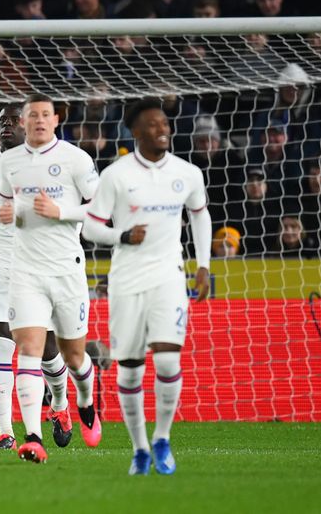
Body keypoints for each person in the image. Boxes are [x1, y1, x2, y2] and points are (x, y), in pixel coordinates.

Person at [82, 99, 212, 476]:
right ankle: (139, 449)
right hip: (126, 280)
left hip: (170, 275)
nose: (162, 129)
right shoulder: (116, 175)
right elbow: (90, 227)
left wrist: (203, 265)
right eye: (153, 124)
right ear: (136, 131)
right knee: (130, 371)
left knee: (169, 360)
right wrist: (122, 235)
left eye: (165, 123)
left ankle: (162, 439)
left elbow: (200, 215)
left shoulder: (187, 173)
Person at [0, 106, 74, 451]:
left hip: (39, 261)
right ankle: (5, 431)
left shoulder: (47, 164)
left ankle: (60, 403)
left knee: (47, 348)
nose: (6, 125)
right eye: (2, 121)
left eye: (14, 121)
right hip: (1, 261)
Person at [0, 93, 101, 463]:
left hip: (66, 269)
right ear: (23, 121)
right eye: (32, 115)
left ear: (56, 120)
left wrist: (61, 211)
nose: (39, 120)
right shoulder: (9, 162)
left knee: (74, 356)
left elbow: (102, 210)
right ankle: (33, 438)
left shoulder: (76, 159)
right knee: (29, 350)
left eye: (45, 114)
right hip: (25, 271)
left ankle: (85, 401)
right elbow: (8, 204)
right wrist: (10, 213)